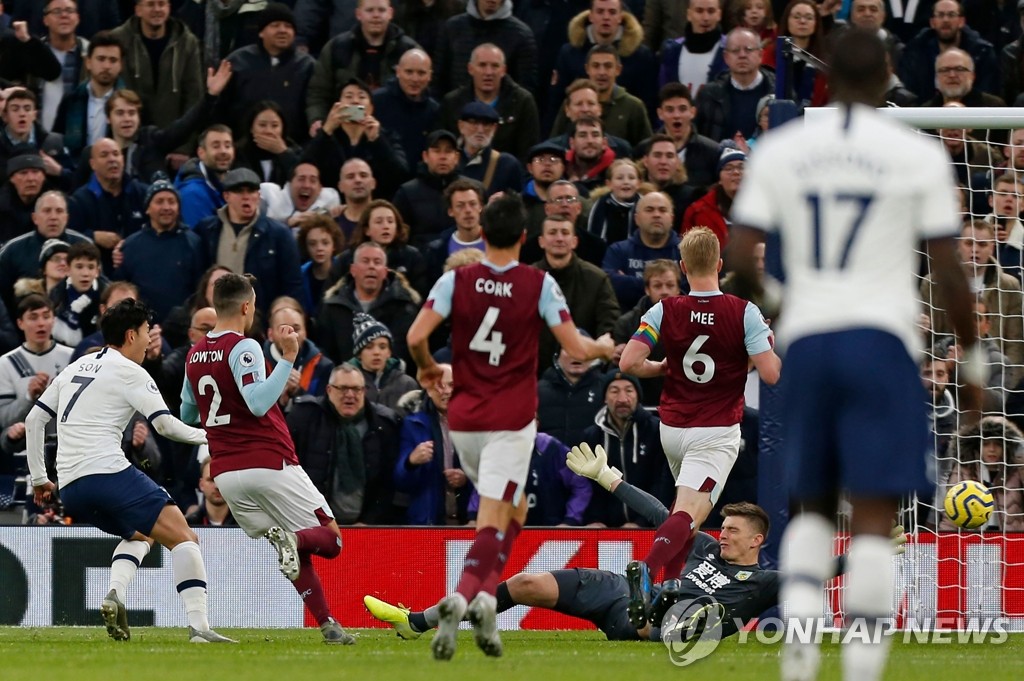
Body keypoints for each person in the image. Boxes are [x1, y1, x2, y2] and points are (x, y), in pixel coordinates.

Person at [728, 29, 984, 681]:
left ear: (827, 77)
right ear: (888, 74)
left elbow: (739, 256)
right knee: (873, 517)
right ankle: (862, 669)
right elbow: (949, 269)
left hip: (810, 340)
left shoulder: (783, 149)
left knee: (812, 509)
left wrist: (783, 300)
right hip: (881, 340)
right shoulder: (915, 153)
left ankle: (800, 652)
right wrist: (972, 353)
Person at [405, 192, 616, 660]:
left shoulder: (455, 279)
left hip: (465, 420)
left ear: (482, 233)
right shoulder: (539, 284)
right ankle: (463, 597)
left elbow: (416, 336)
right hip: (511, 420)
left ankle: (484, 598)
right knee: (494, 514)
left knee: (513, 506)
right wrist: (603, 347)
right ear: (524, 236)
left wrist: (426, 367)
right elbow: (576, 349)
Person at [24, 298, 232, 643]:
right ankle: (200, 628)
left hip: (71, 487)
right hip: (107, 472)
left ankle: (115, 594)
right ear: (131, 335)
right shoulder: (130, 371)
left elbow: (34, 419)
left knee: (140, 536)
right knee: (185, 538)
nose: (150, 340)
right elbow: (164, 425)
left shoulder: (77, 366)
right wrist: (212, 436)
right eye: (148, 332)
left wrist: (40, 479)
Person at [180, 273, 355, 644]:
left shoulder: (194, 354)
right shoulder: (244, 347)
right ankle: (295, 545)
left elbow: (187, 413)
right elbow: (258, 403)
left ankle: (328, 624)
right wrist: (288, 358)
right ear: (247, 306)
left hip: (226, 474)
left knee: (294, 548)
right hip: (267, 460)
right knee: (330, 539)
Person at [618, 225, 780, 623]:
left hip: (672, 427)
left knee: (684, 514)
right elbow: (771, 373)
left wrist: (660, 367)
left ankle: (668, 591)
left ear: (683, 267)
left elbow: (629, 363)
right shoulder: (744, 312)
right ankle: (647, 570)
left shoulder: (664, 309)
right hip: (715, 429)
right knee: (690, 513)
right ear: (720, 265)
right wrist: (764, 345)